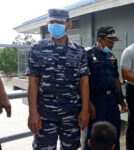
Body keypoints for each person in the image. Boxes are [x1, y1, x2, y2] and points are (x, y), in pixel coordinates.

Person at [26, 9, 93, 150]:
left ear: (69, 25)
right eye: (52, 22)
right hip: (44, 115)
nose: (55, 25)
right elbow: (33, 81)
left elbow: (84, 82)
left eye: (59, 22)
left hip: (71, 114)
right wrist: (33, 112)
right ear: (47, 23)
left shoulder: (79, 51)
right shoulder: (37, 49)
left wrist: (85, 109)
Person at [84, 26, 126, 150]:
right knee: (94, 135)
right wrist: (88, 104)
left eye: (113, 41)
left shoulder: (112, 57)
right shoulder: (88, 56)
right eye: (109, 41)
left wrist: (121, 100)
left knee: (114, 131)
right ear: (100, 40)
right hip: (96, 101)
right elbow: (83, 82)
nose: (112, 44)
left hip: (112, 101)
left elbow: (116, 79)